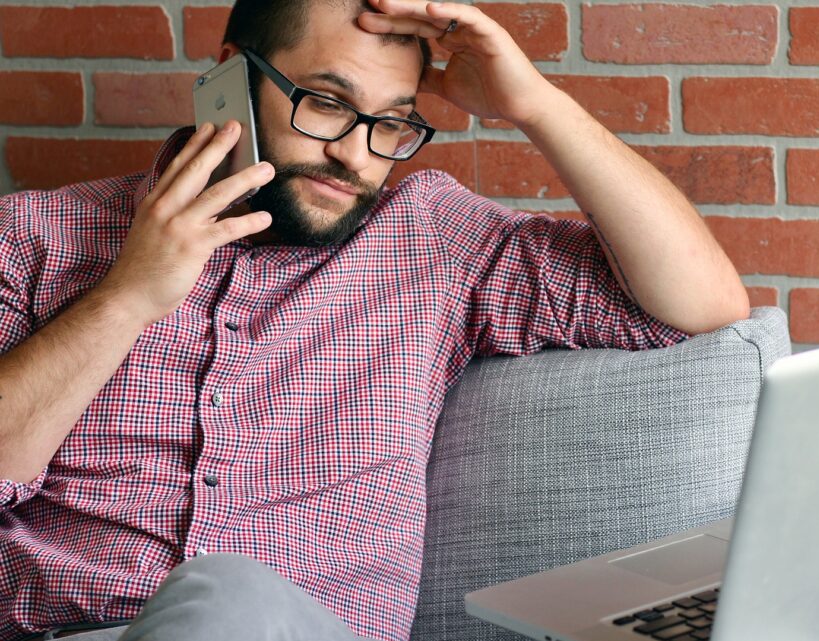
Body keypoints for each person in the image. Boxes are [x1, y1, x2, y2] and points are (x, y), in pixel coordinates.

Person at [0, 0, 749, 639]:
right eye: (325, 103)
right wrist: (127, 296)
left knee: (229, 596)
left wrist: (535, 103)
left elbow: (701, 302)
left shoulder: (432, 242)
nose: (355, 156)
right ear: (231, 74)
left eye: (391, 123)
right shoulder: (35, 237)